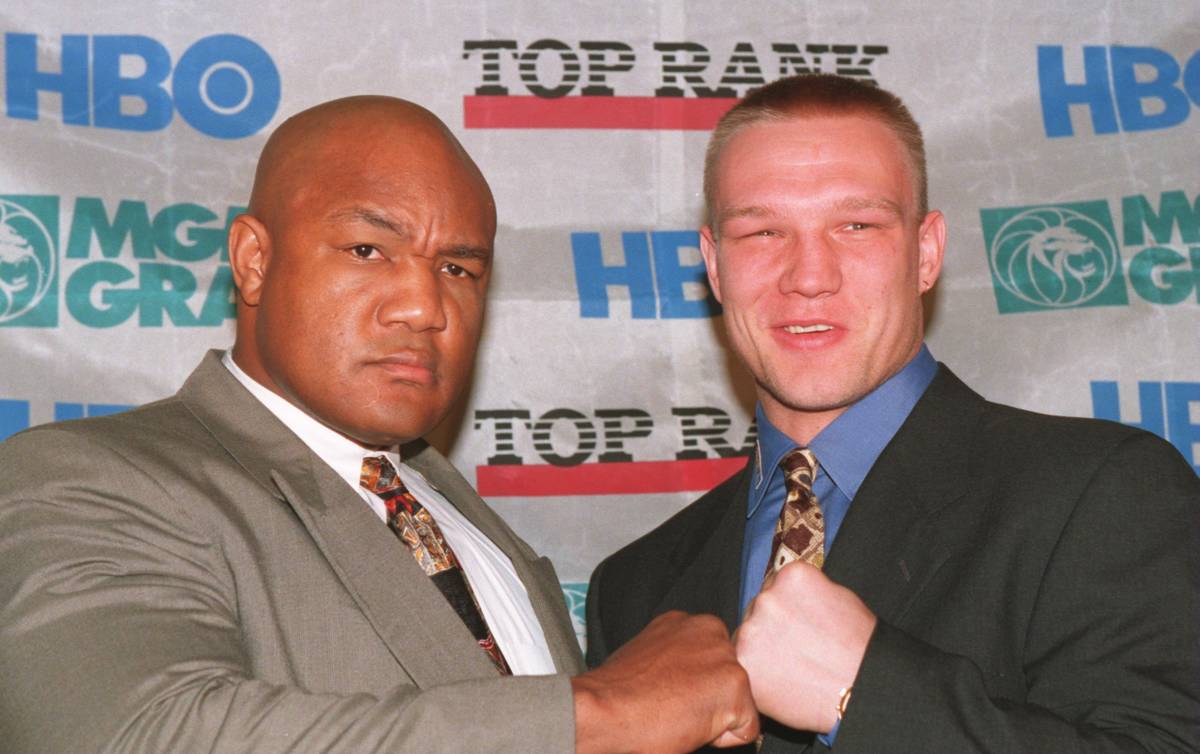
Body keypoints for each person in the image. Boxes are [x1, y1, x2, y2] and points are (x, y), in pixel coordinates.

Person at [0, 96, 758, 754]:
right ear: (255, 260)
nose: (425, 307)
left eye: (458, 268)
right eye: (367, 250)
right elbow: (138, 735)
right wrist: (599, 712)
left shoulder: (462, 522)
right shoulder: (89, 481)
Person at [586, 74, 1200, 753]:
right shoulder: (634, 589)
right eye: (762, 232)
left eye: (856, 226)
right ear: (714, 266)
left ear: (926, 253)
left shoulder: (1100, 494)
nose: (809, 276)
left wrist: (862, 694)